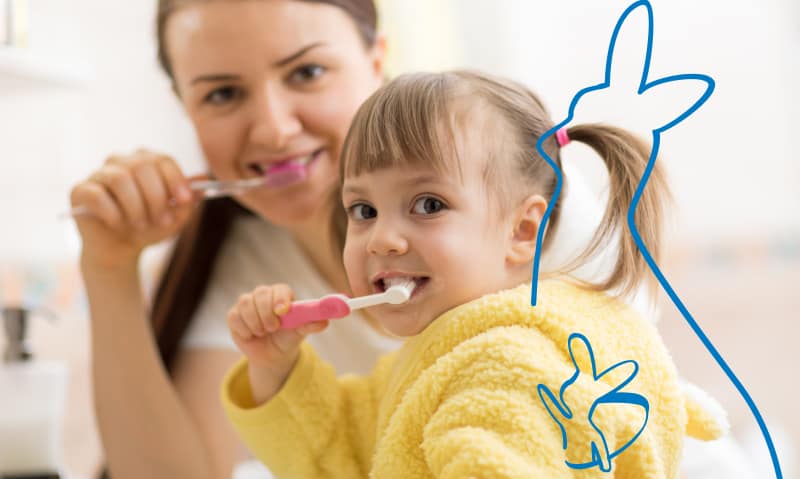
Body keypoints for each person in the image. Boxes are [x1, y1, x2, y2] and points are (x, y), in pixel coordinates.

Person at [221, 71, 727, 478]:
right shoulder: (447, 354)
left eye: (427, 204)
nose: (381, 239)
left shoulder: (508, 373)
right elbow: (347, 449)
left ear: (522, 229)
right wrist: (276, 368)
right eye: (363, 209)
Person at [69, 1, 394, 477]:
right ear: (185, 108)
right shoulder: (241, 262)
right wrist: (108, 269)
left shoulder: (528, 216)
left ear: (377, 64)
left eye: (308, 71)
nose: (275, 129)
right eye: (222, 94)